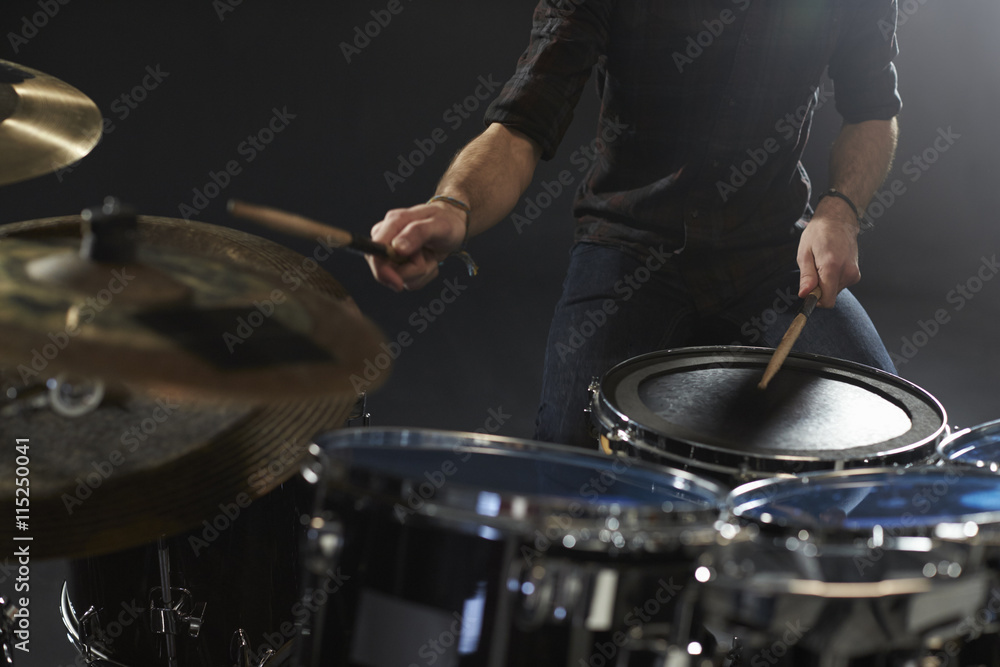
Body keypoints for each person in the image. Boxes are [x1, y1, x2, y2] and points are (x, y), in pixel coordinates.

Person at [367, 0, 902, 447]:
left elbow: (874, 109)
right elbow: (521, 123)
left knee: (890, 438)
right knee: (570, 459)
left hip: (774, 252)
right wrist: (453, 206)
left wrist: (840, 210)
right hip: (628, 246)